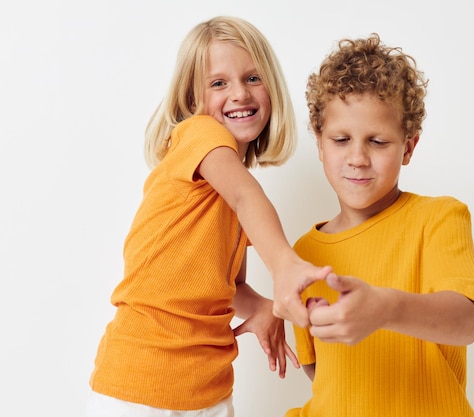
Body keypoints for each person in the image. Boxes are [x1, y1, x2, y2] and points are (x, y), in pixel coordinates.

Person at [87, 16, 332, 417]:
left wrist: (263, 306)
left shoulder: (228, 192)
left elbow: (228, 285)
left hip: (208, 391)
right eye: (219, 83)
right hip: (139, 386)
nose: (239, 93)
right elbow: (245, 195)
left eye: (253, 78)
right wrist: (285, 265)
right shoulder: (199, 134)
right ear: (191, 101)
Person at [285, 34, 474, 417]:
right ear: (320, 144)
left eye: (377, 141)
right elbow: (318, 369)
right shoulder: (303, 253)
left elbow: (467, 322)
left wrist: (385, 308)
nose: (357, 158)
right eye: (341, 139)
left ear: (408, 147)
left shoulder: (438, 219)